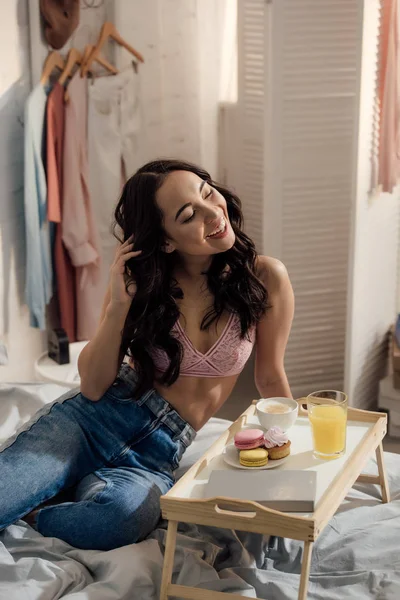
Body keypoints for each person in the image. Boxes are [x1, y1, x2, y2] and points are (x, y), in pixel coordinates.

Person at [0, 159, 294, 551]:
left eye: (208, 193)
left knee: (120, 521)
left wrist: (291, 451)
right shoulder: (140, 283)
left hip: (158, 455)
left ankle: (39, 510)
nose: (212, 214)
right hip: (92, 422)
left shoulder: (266, 278)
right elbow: (91, 386)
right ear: (166, 239)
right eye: (189, 215)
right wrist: (118, 306)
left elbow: (271, 378)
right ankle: (43, 484)